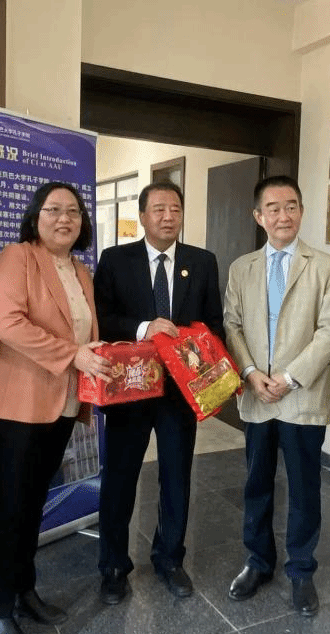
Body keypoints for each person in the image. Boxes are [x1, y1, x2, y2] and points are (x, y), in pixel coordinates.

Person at [0, 182, 110, 634]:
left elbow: (84, 334)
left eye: (73, 211)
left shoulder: (80, 270)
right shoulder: (18, 258)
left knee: (33, 503)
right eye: (53, 210)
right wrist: (74, 354)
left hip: (64, 405)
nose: (64, 218)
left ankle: (23, 590)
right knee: (8, 509)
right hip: (19, 405)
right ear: (36, 216)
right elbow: (9, 325)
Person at [93, 181, 224, 604]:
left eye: (176, 209)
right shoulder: (116, 260)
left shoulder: (202, 261)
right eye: (159, 209)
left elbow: (214, 323)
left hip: (179, 393)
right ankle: (114, 566)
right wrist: (143, 328)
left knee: (176, 477)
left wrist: (198, 352)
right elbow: (102, 318)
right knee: (120, 478)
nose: (168, 216)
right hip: (130, 390)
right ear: (143, 216)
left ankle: (170, 558)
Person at [223, 175, 330, 617]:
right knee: (256, 483)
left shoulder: (326, 266)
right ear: (258, 216)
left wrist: (290, 378)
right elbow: (232, 324)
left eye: (291, 206)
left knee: (304, 487)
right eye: (272, 208)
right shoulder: (242, 268)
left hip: (301, 396)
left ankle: (301, 570)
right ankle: (258, 562)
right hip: (257, 394)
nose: (283, 215)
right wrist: (251, 373)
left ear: (302, 211)